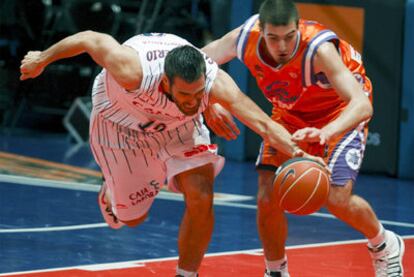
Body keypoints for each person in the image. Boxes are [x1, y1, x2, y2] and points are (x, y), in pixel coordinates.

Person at [19, 30, 324, 277]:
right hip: (121, 130)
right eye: (185, 94)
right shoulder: (133, 70)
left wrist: (301, 154)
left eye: (198, 94)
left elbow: (263, 124)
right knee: (131, 219)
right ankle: (111, 190)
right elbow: (90, 39)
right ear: (165, 82)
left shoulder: (212, 83)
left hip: (179, 128)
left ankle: (186, 274)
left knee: (202, 194)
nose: (194, 101)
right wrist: (42, 59)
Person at [202, 0, 405, 276]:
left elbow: (361, 105)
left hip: (339, 111)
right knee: (266, 196)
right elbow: (197, 61)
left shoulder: (318, 49)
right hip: (291, 113)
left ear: (298, 28)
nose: (282, 47)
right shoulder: (243, 38)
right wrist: (209, 100)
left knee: (335, 198)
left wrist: (326, 132)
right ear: (261, 32)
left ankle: (384, 244)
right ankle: (275, 270)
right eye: (273, 38)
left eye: (289, 37)